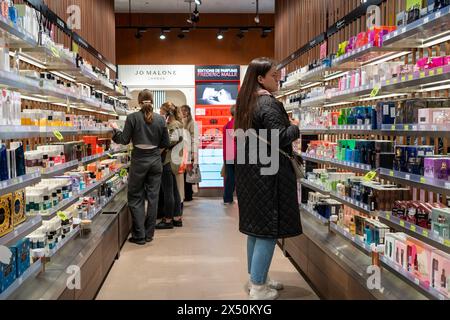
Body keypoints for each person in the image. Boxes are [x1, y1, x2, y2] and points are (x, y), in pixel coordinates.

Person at [235, 57, 302, 300]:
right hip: (267, 176)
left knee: (255, 229)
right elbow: (280, 137)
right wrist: (295, 126)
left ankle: (257, 276)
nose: (279, 78)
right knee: (267, 231)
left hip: (250, 174)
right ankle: (259, 288)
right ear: (260, 78)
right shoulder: (267, 104)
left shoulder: (245, 103)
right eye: (274, 75)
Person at [110, 89, 170, 245]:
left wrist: (115, 129)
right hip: (155, 162)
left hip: (139, 161)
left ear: (139, 101)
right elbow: (165, 143)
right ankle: (149, 234)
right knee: (153, 198)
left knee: (136, 197)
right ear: (152, 101)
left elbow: (123, 140)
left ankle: (139, 235)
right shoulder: (160, 119)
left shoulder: (132, 118)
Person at [156, 102, 184, 229]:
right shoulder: (172, 124)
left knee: (168, 191)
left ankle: (168, 220)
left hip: (168, 161)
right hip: (171, 160)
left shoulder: (175, 125)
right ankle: (177, 217)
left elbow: (170, 142)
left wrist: (159, 149)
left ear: (168, 113)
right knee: (173, 190)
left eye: (162, 111)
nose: (160, 113)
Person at [181, 105, 197, 202]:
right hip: (184, 151)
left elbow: (194, 138)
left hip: (188, 151)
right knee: (185, 174)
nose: (182, 113)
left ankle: (188, 195)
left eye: (183, 111)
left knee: (188, 174)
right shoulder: (184, 122)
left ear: (187, 112)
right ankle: (187, 194)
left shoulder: (191, 123)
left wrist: (193, 153)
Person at [223, 105, 237, 205]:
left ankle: (228, 198)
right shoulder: (240, 125)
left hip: (228, 154)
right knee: (240, 177)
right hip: (239, 154)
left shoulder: (227, 125)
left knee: (230, 177)